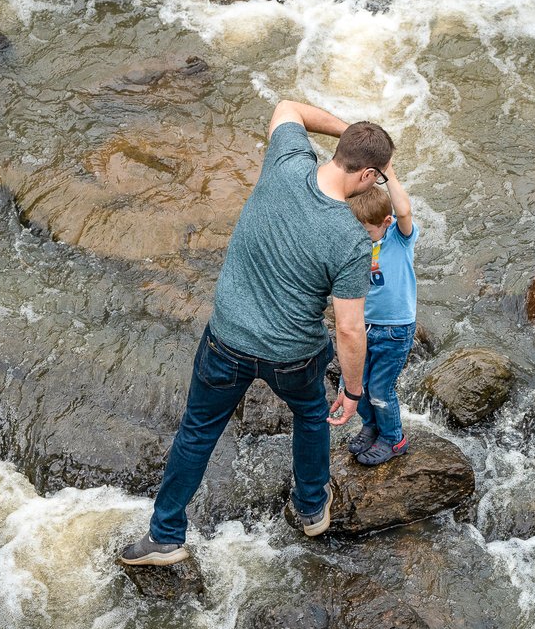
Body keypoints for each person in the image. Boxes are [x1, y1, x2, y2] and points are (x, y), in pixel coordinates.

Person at [120, 101, 395, 566]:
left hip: (226, 338)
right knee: (311, 415)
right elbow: (349, 328)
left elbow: (288, 106)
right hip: (292, 356)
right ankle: (312, 508)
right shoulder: (351, 238)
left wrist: (352, 133)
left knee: (197, 431)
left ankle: (164, 536)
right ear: (367, 176)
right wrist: (352, 391)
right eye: (381, 175)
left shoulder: (286, 162)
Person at [344, 162, 418, 465]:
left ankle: (394, 438)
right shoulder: (357, 242)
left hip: (395, 328)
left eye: (366, 231)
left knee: (379, 389)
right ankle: (372, 426)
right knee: (354, 384)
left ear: (384, 222)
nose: (361, 236)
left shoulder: (398, 238)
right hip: (364, 326)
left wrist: (389, 174)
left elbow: (403, 212)